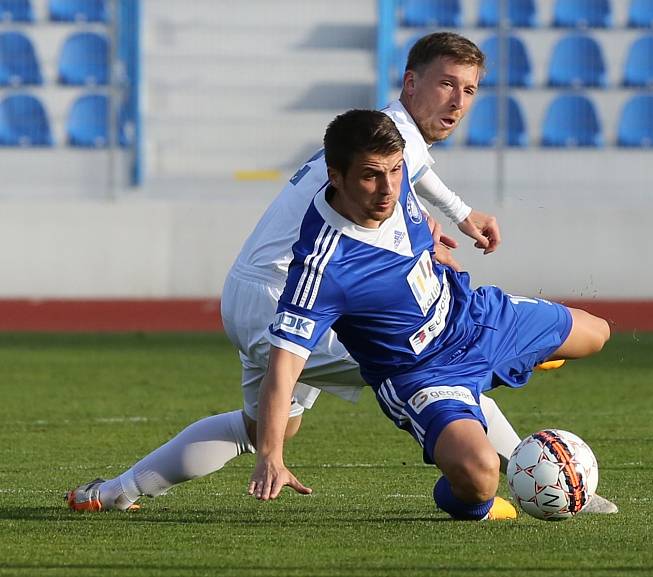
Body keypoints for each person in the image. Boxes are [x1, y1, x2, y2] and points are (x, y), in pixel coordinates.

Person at [67, 32, 581, 517]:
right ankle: (538, 475)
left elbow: (409, 192)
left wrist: (427, 238)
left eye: (468, 90)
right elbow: (418, 179)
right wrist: (466, 216)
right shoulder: (391, 132)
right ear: (410, 84)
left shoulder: (371, 144)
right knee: (435, 357)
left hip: (253, 290)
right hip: (287, 292)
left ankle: (114, 492)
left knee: (264, 427)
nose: (457, 102)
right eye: (446, 83)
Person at [250, 109, 611, 521]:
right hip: (423, 372)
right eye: (371, 175)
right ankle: (460, 496)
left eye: (396, 170)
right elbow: (282, 370)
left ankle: (520, 356)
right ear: (335, 177)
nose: (387, 187)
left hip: (473, 318)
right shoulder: (323, 267)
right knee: (480, 477)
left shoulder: (395, 189)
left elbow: (410, 228)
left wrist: (434, 247)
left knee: (597, 333)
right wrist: (270, 457)